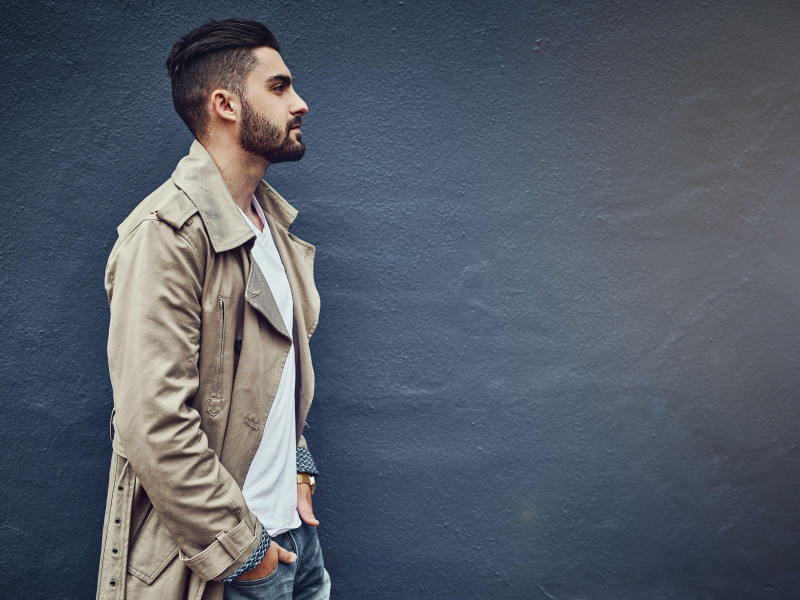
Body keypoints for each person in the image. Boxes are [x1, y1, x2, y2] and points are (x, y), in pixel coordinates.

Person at [96, 18, 330, 600]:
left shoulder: (269, 222)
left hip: (293, 539)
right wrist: (245, 554)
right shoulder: (166, 235)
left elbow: (268, 377)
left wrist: (296, 468)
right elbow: (154, 423)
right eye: (279, 87)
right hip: (224, 563)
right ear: (225, 104)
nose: (299, 103)